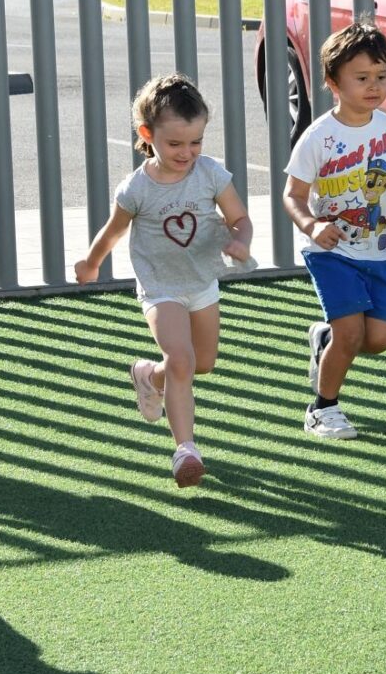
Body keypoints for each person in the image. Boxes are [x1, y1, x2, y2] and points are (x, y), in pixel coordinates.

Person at [74, 73, 253, 486]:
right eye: (175, 144)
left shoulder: (210, 174)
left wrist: (240, 241)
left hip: (203, 283)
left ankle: (147, 377)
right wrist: (91, 261)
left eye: (196, 142)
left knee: (201, 364)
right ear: (147, 134)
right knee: (183, 360)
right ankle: (185, 449)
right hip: (160, 288)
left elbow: (238, 218)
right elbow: (113, 230)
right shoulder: (137, 188)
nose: (187, 152)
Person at [282, 18, 386, 439]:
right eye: (362, 77)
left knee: (379, 338)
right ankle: (322, 408)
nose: (374, 86)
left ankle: (324, 339)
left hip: (378, 248)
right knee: (351, 333)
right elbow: (292, 194)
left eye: (381, 76)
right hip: (331, 253)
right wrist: (312, 225)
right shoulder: (319, 137)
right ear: (332, 81)